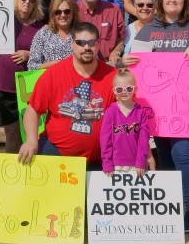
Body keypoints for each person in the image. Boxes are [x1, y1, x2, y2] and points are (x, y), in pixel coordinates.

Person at [128, 0, 189, 231]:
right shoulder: (148, 31)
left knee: (184, 154)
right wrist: (125, 61)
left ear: (185, 0)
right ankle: (172, 204)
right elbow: (133, 66)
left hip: (187, 108)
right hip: (156, 108)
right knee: (167, 155)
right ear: (161, 0)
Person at [18, 21, 116, 169]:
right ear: (72, 44)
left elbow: (129, 114)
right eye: (81, 43)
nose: (86, 47)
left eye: (91, 42)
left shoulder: (113, 76)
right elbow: (33, 110)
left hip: (101, 159)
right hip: (56, 153)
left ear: (98, 44)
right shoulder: (53, 74)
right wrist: (31, 141)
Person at [0, 0, 44, 152]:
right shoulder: (2, 19)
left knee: (31, 132)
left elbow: (45, 55)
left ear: (36, 4)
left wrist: (28, 54)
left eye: (32, 0)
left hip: (28, 88)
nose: (27, 2)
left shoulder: (41, 28)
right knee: (11, 132)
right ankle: (13, 174)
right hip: (1, 83)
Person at [100, 69, 156, 176]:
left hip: (137, 165)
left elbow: (143, 139)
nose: (124, 92)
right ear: (114, 91)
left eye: (129, 88)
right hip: (115, 165)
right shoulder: (110, 112)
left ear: (135, 89)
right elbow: (105, 140)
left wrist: (141, 161)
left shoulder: (141, 112)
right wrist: (107, 163)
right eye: (120, 89)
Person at [74, 0, 125, 64]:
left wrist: (116, 52)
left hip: (108, 63)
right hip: (81, 63)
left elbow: (122, 39)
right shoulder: (72, 10)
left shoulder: (114, 10)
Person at [28, 0, 78, 69]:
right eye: (58, 12)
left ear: (73, 13)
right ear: (52, 14)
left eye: (67, 11)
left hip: (75, 79)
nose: (63, 15)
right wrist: (50, 65)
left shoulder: (82, 33)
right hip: (50, 78)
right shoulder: (43, 34)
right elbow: (31, 66)